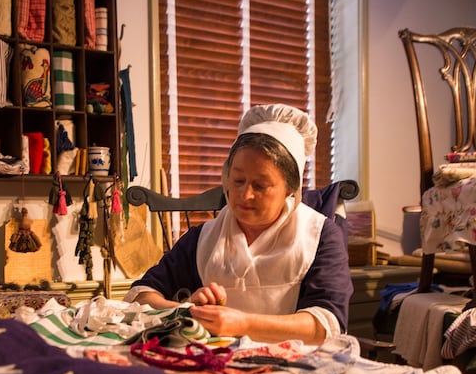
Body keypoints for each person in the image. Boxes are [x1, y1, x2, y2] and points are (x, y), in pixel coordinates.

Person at [124, 104, 353, 345]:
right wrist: (189, 310)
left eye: (260, 185)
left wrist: (243, 324)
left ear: (290, 189)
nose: (244, 195)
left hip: (295, 367)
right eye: (238, 180)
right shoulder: (203, 239)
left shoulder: (320, 236)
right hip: (216, 363)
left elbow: (326, 323)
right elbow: (140, 296)